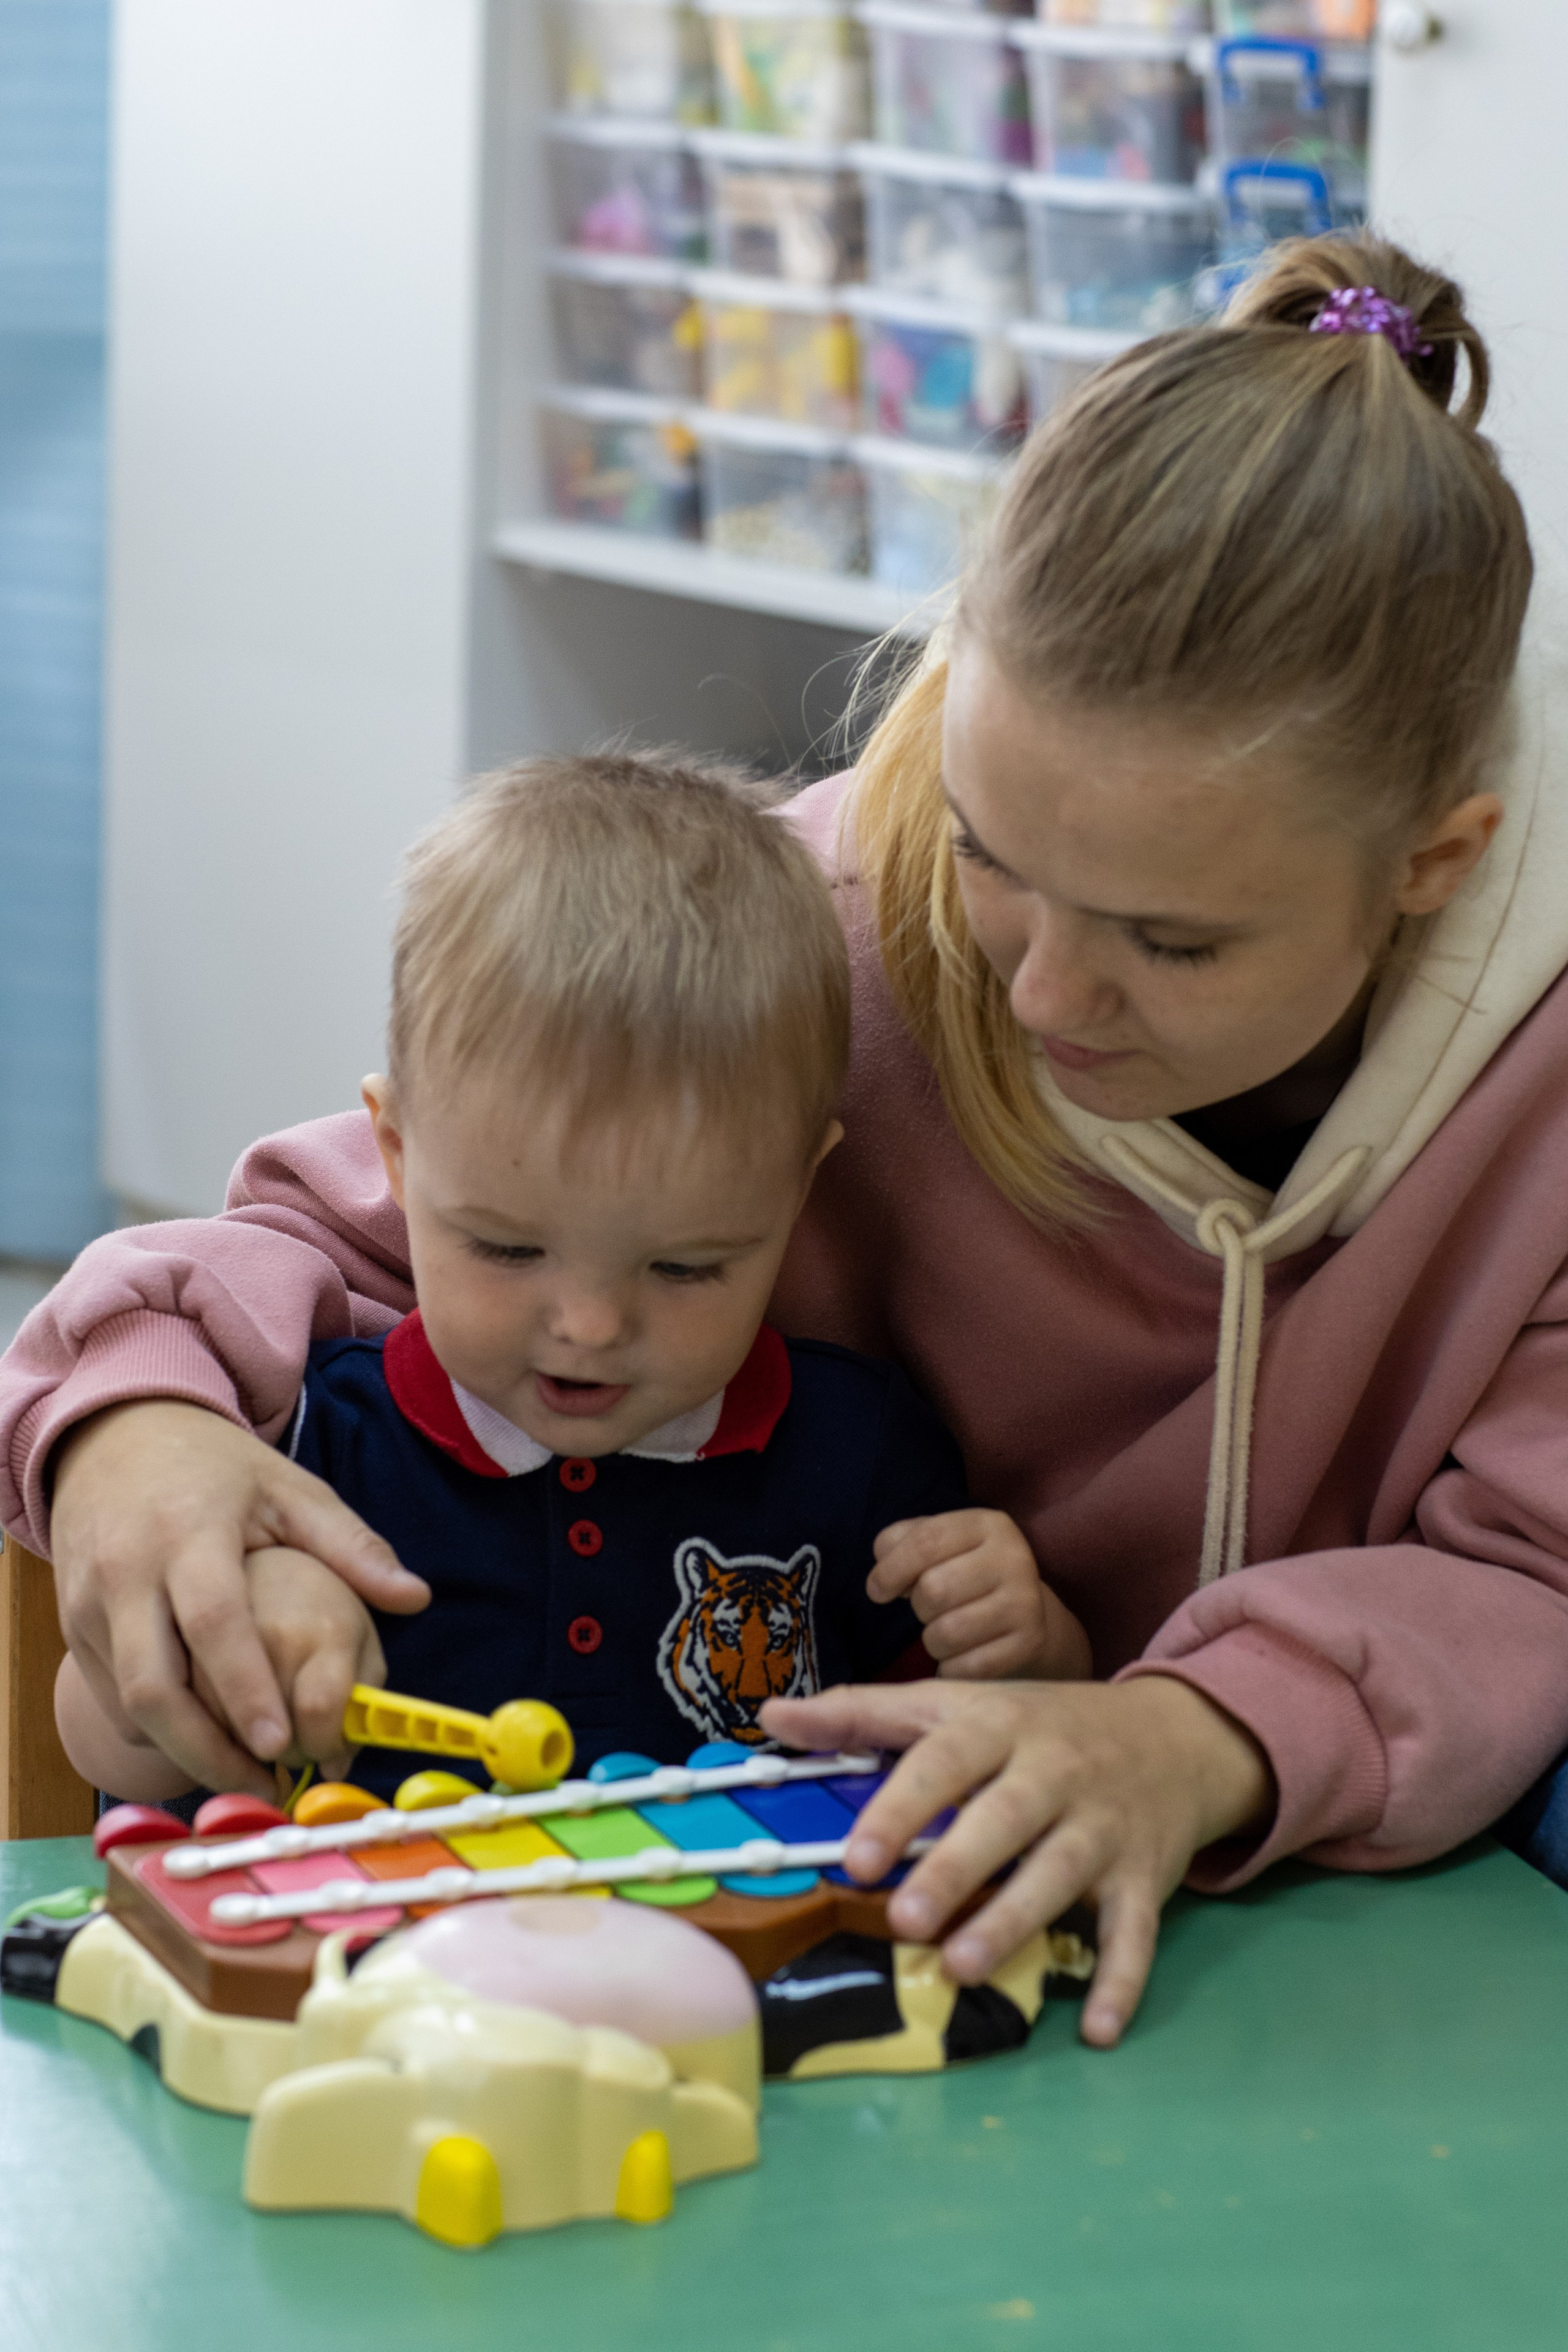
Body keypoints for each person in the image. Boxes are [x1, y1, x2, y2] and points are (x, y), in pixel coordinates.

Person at [8, 232, 1568, 2050]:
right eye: (993, 853)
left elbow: (1523, 1579)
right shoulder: (823, 921)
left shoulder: (1528, 1091)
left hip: (1295, 1863)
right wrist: (133, 1428)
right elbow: (353, 1229)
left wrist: (1188, 1734)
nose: (1045, 993)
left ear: (1433, 868)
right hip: (838, 1875)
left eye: (1175, 941)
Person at [50, 755, 1072, 1805]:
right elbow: (99, 1741)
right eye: (507, 1249)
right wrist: (213, 1652)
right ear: (395, 1153)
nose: (589, 1326)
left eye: (685, 1266)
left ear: (798, 1188)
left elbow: (976, 1749)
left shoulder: (863, 1456)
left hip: (729, 1959)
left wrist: (1029, 1647)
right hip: (361, 1959)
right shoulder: (308, 1444)